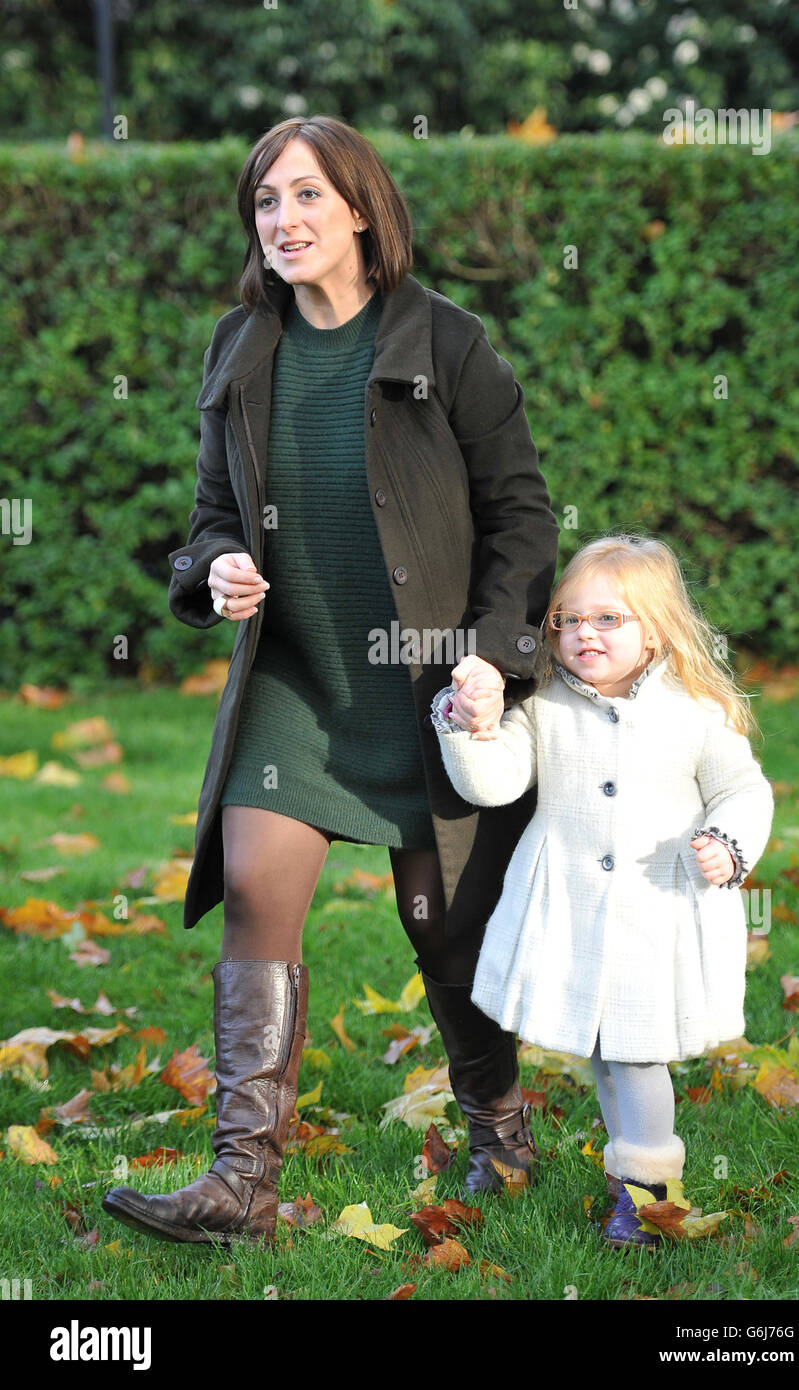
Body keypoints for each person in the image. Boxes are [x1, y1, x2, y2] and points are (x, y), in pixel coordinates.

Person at [101, 115, 560, 1245]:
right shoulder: (240, 344)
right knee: (258, 890)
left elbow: (521, 516)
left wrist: (494, 655)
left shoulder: (448, 342)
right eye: (265, 202)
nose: (284, 220)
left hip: (425, 690)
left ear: (360, 209)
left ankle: (498, 1129)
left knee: (444, 929)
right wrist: (217, 572)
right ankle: (241, 1183)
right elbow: (208, 521)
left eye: (306, 196)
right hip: (297, 680)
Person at [430, 533, 775, 1247]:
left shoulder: (692, 712)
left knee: (635, 1051)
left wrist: (728, 844)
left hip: (659, 914)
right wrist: (473, 724)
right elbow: (493, 784)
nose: (584, 633)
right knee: (606, 1051)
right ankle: (632, 1181)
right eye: (568, 620)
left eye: (607, 619)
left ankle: (651, 1198)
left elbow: (743, 789)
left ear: (653, 630)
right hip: (575, 915)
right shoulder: (546, 705)